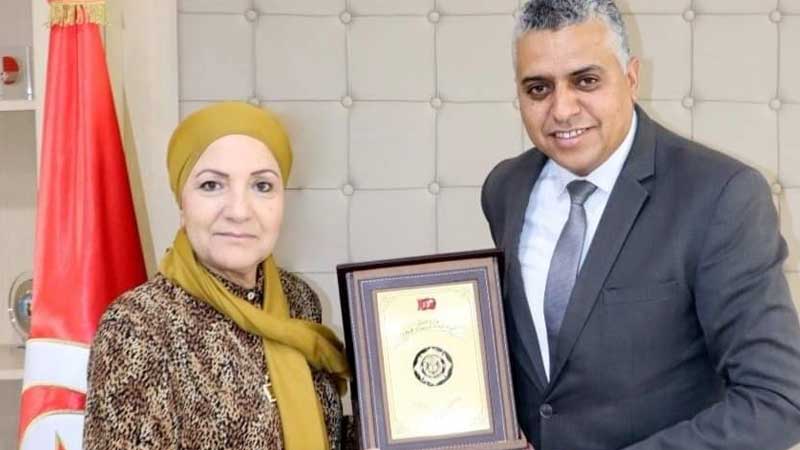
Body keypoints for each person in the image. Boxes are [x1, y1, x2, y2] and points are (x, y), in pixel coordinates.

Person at [481, 1, 800, 449]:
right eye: (538, 88)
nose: (562, 109)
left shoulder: (721, 196)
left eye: (586, 81)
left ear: (631, 77)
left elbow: (778, 400)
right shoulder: (505, 188)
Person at [84, 102, 351, 450]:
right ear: (182, 203)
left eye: (262, 186)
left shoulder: (297, 298)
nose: (239, 211)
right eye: (211, 185)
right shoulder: (137, 327)